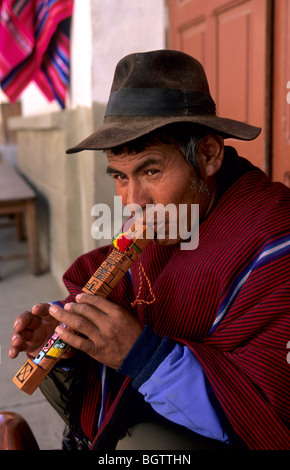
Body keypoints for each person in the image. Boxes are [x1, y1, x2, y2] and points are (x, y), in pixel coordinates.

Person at [9, 50, 290, 450]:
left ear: (208, 155)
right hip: (159, 407)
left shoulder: (275, 239)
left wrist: (143, 356)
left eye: (151, 171)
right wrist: (71, 334)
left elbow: (266, 408)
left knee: (138, 446)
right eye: (120, 177)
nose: (132, 200)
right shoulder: (162, 219)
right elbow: (126, 298)